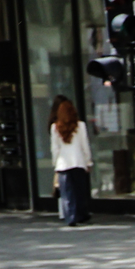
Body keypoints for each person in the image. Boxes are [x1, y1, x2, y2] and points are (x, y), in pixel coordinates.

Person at [51, 97, 91, 226]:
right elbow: (85, 145)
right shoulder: (81, 126)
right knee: (80, 191)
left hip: (63, 164)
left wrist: (55, 164)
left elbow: (55, 148)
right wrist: (88, 162)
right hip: (78, 162)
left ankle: (70, 217)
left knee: (67, 193)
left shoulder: (55, 127)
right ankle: (81, 215)